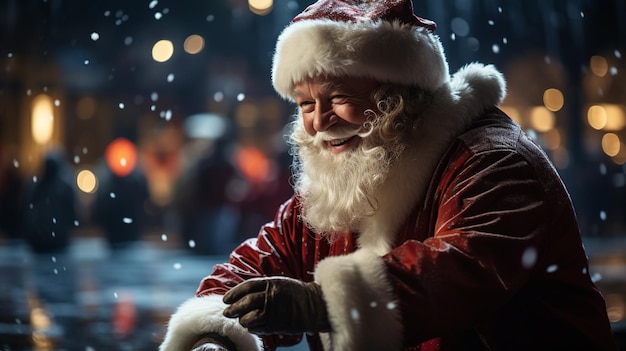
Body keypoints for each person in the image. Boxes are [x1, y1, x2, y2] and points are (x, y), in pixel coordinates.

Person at [159, 0, 617, 350]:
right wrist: (215, 333)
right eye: (305, 104)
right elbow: (259, 261)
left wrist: (315, 305)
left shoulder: (495, 162)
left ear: (400, 96)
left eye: (337, 96)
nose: (318, 121)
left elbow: (461, 272)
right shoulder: (342, 178)